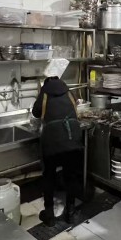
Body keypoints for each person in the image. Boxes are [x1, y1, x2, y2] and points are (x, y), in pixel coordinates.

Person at [32, 76, 84, 227]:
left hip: (52, 141)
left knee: (49, 176)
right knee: (71, 176)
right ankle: (70, 212)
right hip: (72, 139)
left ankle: (49, 215)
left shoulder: (45, 93)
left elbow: (36, 113)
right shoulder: (69, 92)